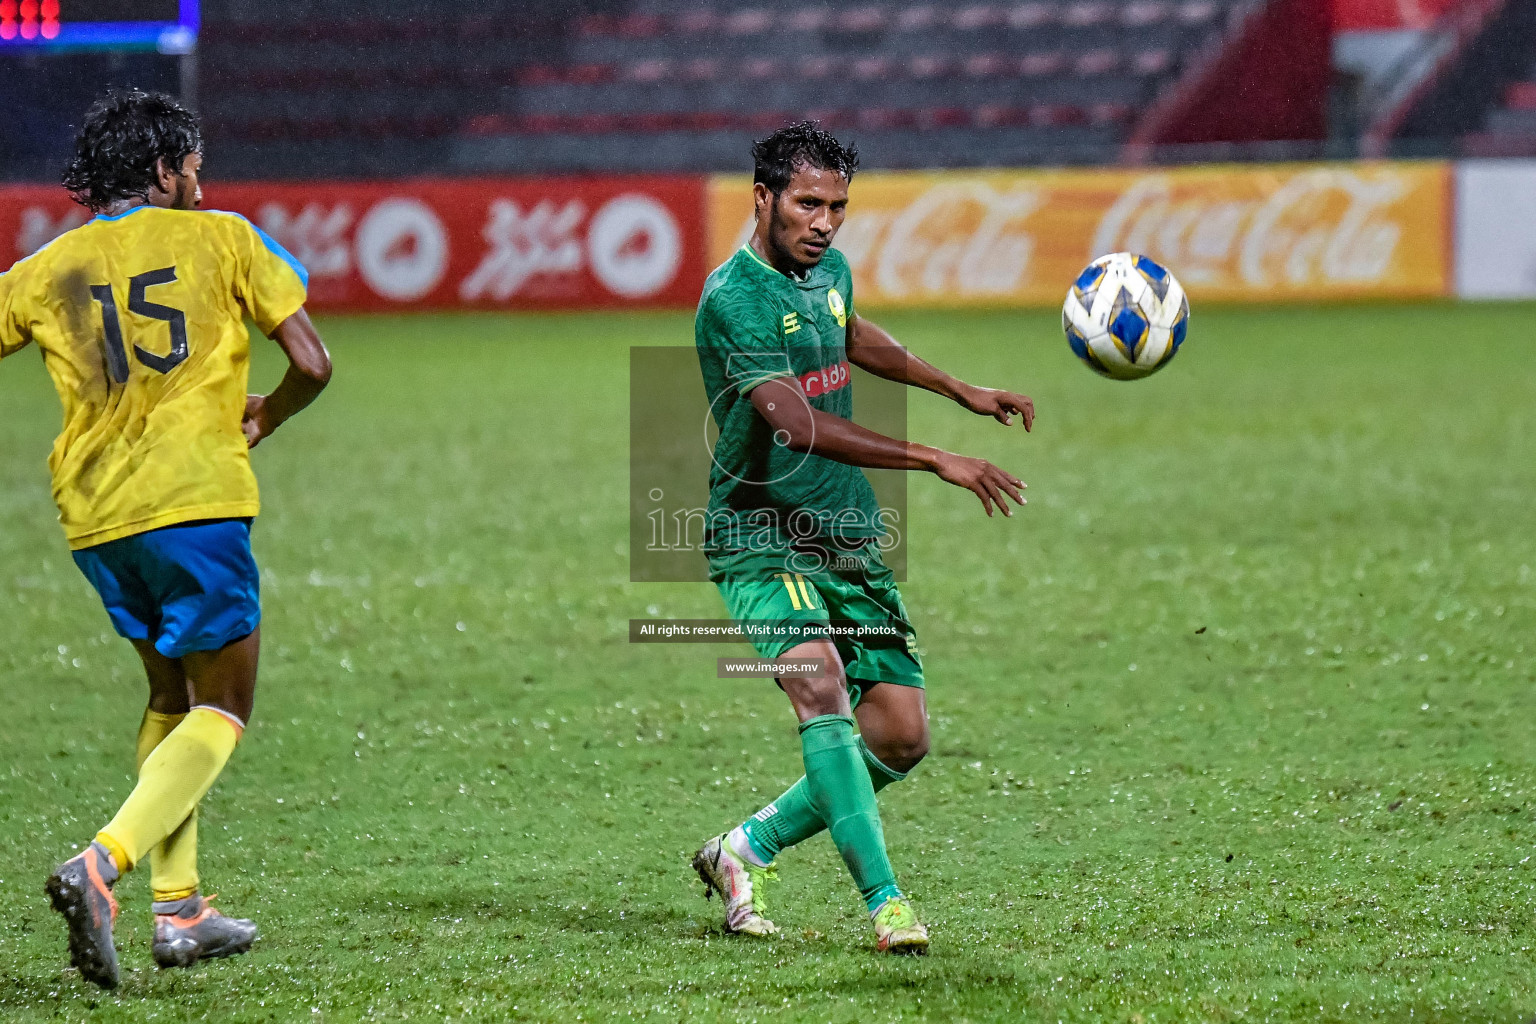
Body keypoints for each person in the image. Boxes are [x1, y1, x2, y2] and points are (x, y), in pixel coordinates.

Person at [0, 89, 331, 988]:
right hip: (194, 503)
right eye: (190, 167)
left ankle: (181, 912)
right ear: (162, 171)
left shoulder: (45, 269)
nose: (199, 181)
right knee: (223, 708)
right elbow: (312, 363)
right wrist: (267, 416)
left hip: (96, 518)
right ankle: (102, 867)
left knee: (170, 697)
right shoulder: (221, 237)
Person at [689, 122, 1034, 954]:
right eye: (808, 204)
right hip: (758, 531)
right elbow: (794, 422)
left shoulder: (827, 269)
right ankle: (887, 905)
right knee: (822, 684)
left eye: (838, 206)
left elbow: (847, 330)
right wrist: (934, 457)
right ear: (763, 199)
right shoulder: (732, 297)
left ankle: (744, 848)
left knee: (901, 735)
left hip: (840, 527)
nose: (826, 223)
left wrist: (959, 388)